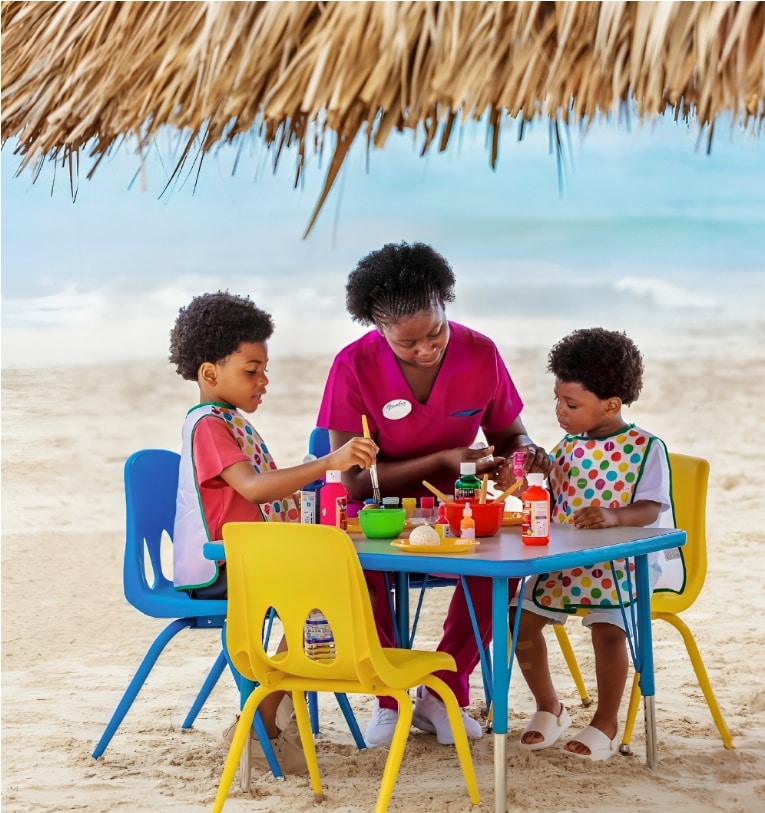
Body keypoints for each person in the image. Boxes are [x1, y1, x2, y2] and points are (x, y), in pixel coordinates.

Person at [316, 241, 550, 747]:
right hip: (374, 511)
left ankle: (443, 691)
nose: (426, 349)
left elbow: (512, 435)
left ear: (446, 303)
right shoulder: (352, 366)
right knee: (359, 571)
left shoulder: (480, 352)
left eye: (436, 332)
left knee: (500, 572)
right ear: (377, 331)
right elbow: (354, 480)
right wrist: (445, 460)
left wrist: (523, 453)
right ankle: (387, 697)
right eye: (408, 344)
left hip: (459, 510)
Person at [169, 291, 378, 774]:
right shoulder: (208, 426)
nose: (264, 380)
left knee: (331, 594)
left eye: (265, 369)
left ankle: (276, 707)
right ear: (209, 373)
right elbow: (254, 488)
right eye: (251, 369)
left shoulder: (229, 421)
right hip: (220, 565)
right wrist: (326, 463)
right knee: (325, 597)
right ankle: (268, 716)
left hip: (250, 559)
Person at [508, 327, 685, 761]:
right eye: (557, 401)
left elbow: (650, 508)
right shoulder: (566, 447)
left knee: (608, 630)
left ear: (610, 405)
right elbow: (548, 499)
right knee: (520, 619)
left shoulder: (646, 448)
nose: (559, 412)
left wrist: (613, 516)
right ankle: (549, 706)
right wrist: (534, 472)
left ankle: (605, 721)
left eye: (570, 404)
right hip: (566, 560)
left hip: (620, 563)